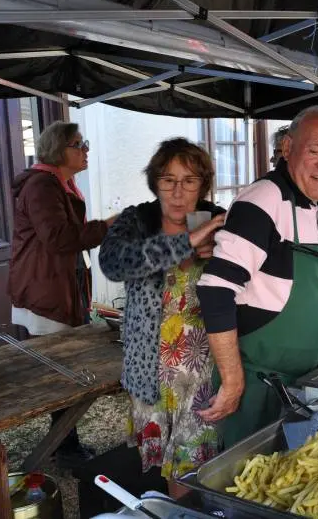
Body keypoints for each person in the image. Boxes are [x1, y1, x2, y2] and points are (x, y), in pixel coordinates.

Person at [197, 105, 318, 448]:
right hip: (263, 387)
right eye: (315, 151)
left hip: (315, 383)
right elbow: (216, 290)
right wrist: (233, 380)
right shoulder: (263, 200)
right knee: (254, 482)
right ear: (288, 148)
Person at [99, 138, 225, 497]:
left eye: (189, 180)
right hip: (150, 367)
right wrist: (184, 243)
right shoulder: (138, 220)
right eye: (168, 180)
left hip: (204, 368)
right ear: (155, 182)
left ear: (203, 184)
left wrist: (220, 252)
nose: (178, 191)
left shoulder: (219, 221)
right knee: (167, 466)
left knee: (196, 465)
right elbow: (113, 262)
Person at [7, 121, 115, 467]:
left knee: (64, 372)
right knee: (61, 374)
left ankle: (63, 445)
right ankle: (64, 448)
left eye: (85, 144)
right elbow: (60, 238)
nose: (85, 150)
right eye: (79, 144)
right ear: (59, 149)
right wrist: (108, 226)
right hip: (45, 293)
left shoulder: (57, 183)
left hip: (54, 287)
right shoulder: (42, 185)